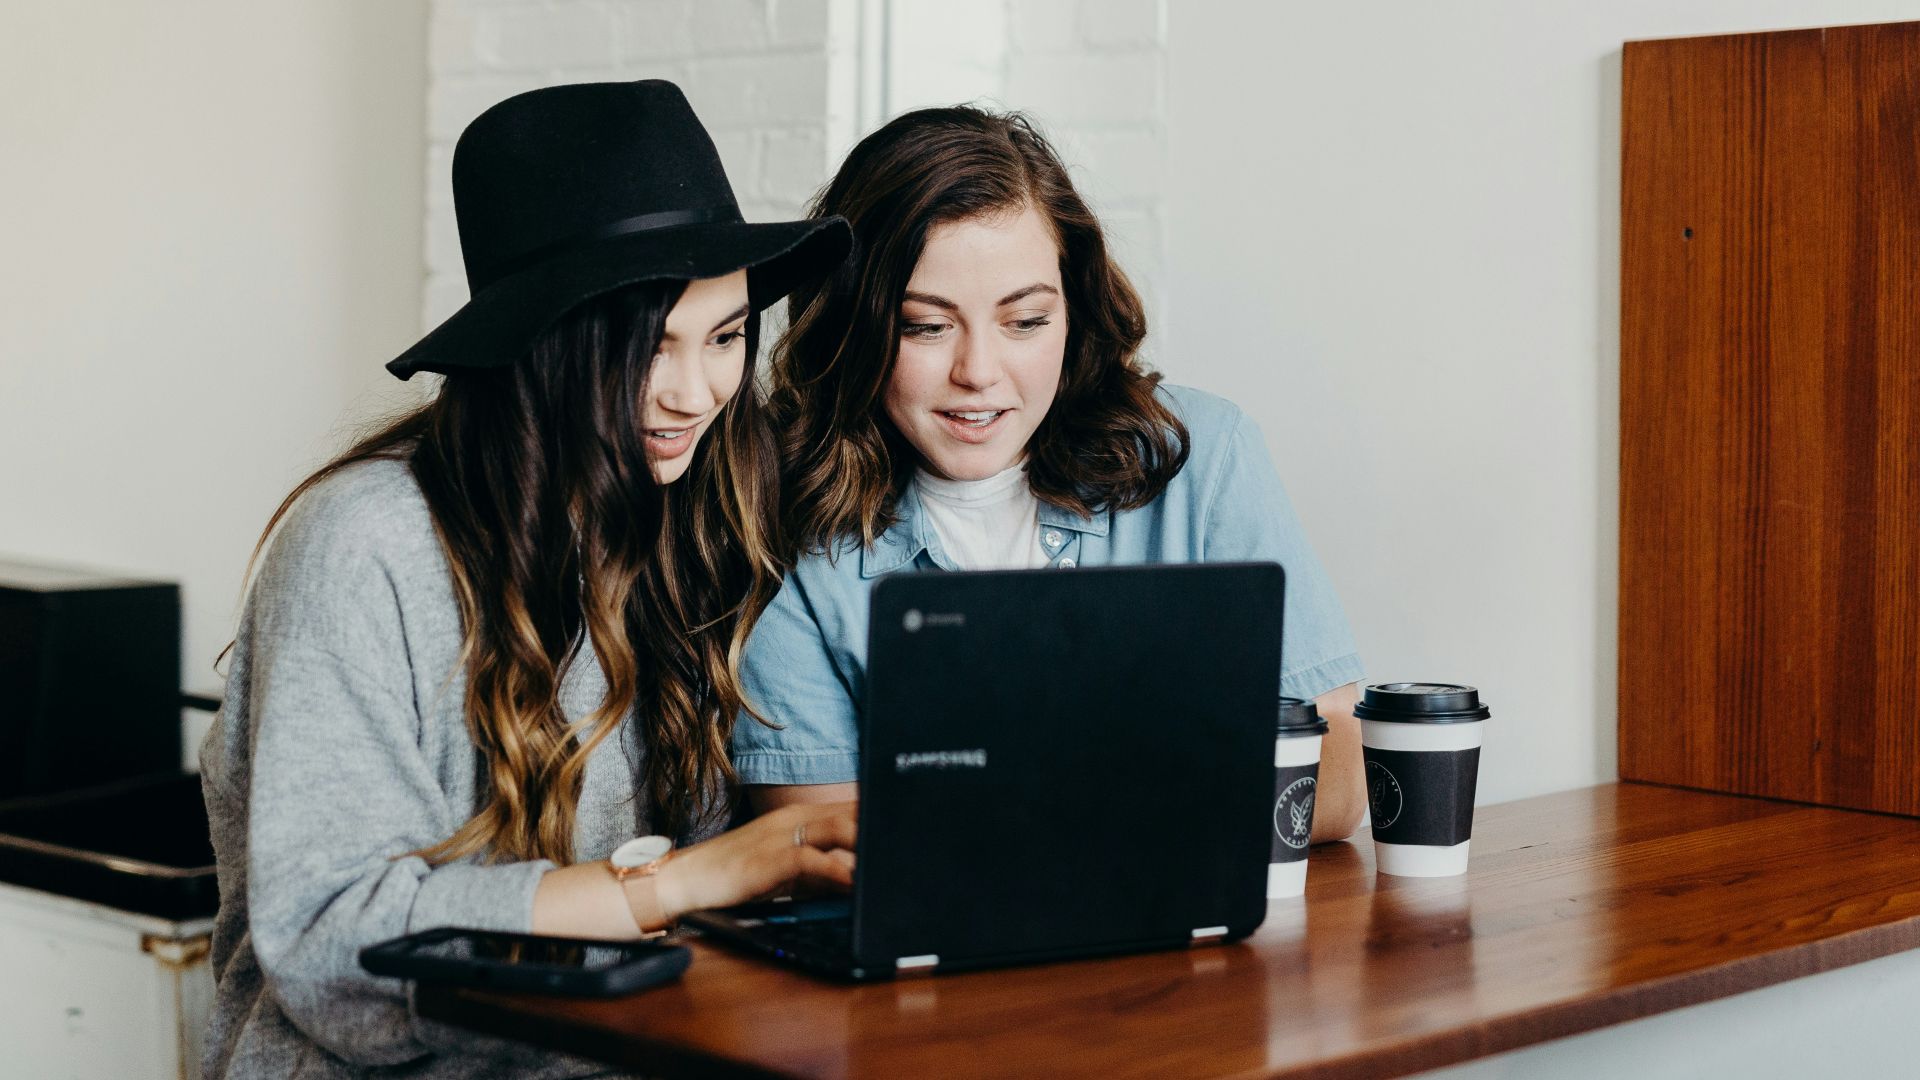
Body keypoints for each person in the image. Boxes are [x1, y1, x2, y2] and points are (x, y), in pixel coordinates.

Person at [197, 80, 856, 1078]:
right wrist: (679, 883)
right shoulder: (365, 545)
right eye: (648, 348)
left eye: (724, 338)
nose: (694, 394)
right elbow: (332, 940)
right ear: (543, 345)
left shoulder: (693, 519)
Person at [733, 106, 1368, 840]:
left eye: (1025, 321)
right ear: (854, 326)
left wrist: (1010, 809)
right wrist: (1162, 781)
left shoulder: (1202, 457)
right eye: (926, 326)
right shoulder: (783, 521)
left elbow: (1337, 781)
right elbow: (817, 846)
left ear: (1074, 309)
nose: (978, 372)